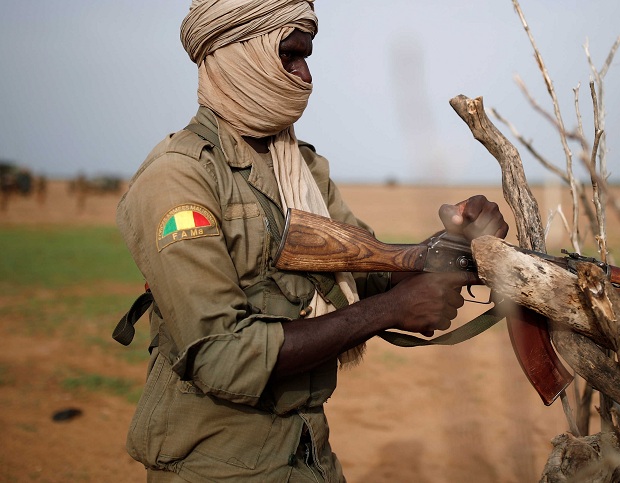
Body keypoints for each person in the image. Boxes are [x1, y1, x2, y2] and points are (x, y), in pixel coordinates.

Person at [114, 1, 509, 481]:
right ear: (241, 55)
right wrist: (393, 310)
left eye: (308, 57)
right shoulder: (179, 178)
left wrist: (444, 247)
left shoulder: (302, 167)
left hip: (310, 456)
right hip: (214, 467)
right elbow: (222, 356)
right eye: (289, 56)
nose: (305, 76)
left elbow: (361, 273)